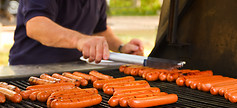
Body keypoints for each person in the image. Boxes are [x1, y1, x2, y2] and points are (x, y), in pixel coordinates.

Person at [9, 0, 144, 65]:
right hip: (28, 70)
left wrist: (122, 47)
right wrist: (79, 40)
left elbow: (100, 30)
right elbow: (36, 25)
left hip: (74, 72)